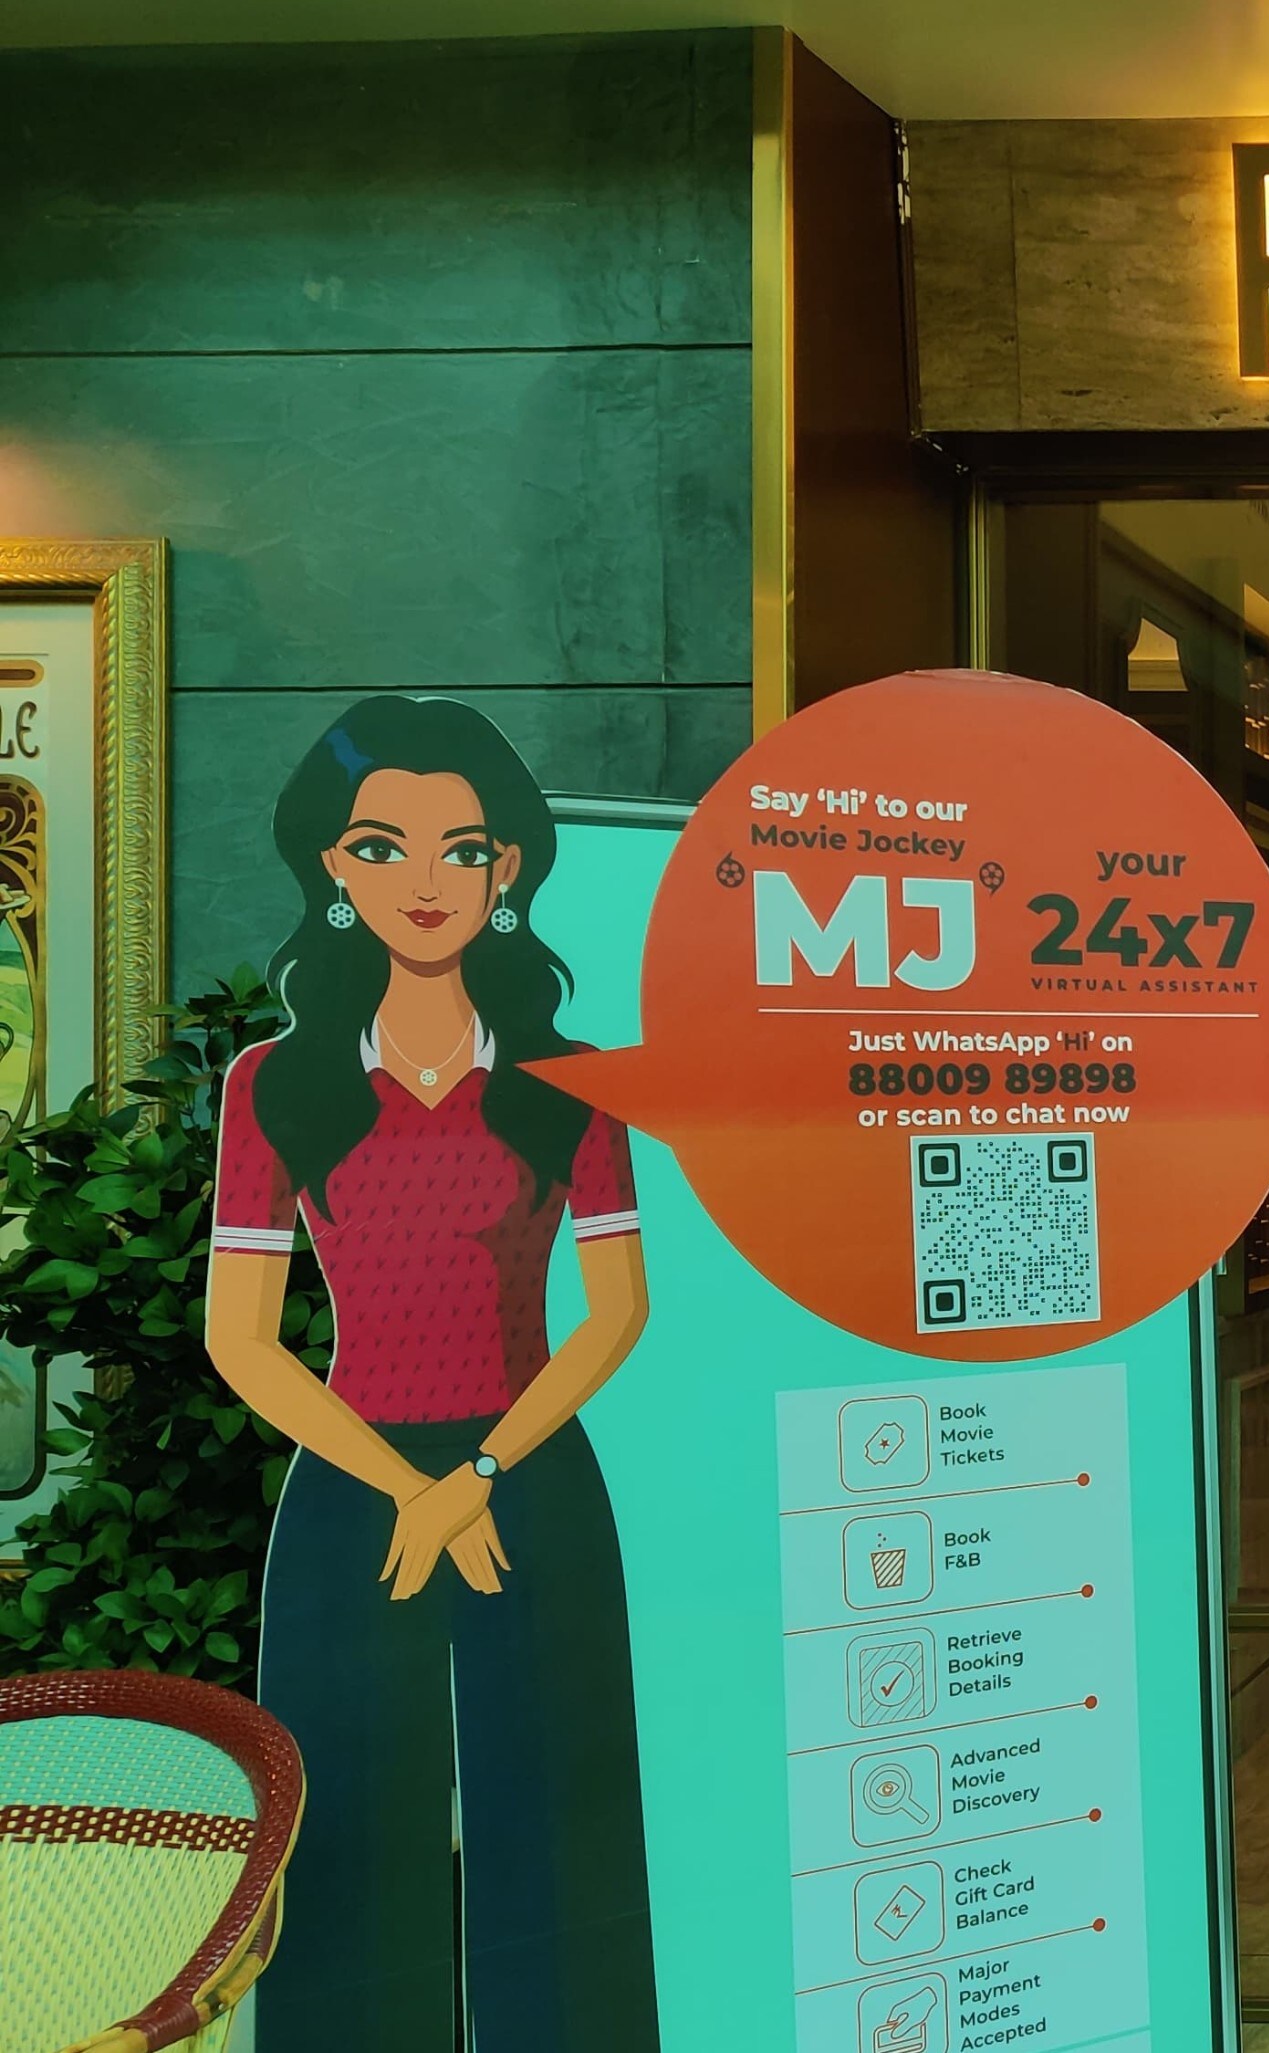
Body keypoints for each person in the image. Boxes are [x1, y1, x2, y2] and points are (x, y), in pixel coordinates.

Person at [203, 695, 657, 2053]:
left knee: (563, 1818)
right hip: (354, 1484)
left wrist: (481, 1474)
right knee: (346, 1822)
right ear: (331, 867)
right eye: (380, 845)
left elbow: (616, 1314)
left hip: (534, 1474)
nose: (424, 879)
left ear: (506, 866)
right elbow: (240, 1337)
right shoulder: (275, 1084)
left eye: (461, 848)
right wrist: (413, 1489)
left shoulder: (573, 1078)